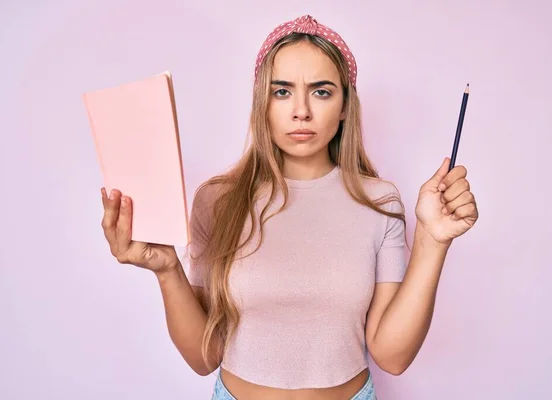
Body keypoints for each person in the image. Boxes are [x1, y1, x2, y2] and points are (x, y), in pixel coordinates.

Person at [99, 14, 479, 400]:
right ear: (262, 103)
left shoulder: (380, 201)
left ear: (346, 105)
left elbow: (392, 356)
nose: (301, 111)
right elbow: (203, 357)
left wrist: (434, 240)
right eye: (282, 92)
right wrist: (167, 271)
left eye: (321, 91)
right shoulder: (217, 201)